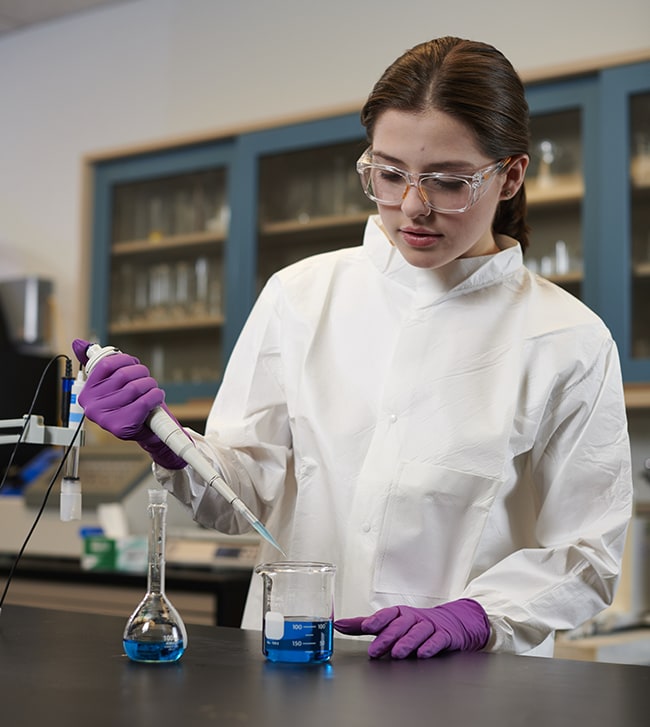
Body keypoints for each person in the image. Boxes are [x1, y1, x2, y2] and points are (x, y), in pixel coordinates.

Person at [73, 36, 633, 659]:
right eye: (389, 175)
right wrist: (168, 442)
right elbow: (245, 499)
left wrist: (480, 615)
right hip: (292, 665)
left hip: (471, 688)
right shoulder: (300, 296)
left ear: (511, 176)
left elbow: (589, 553)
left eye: (448, 182)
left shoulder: (568, 338)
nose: (413, 208)